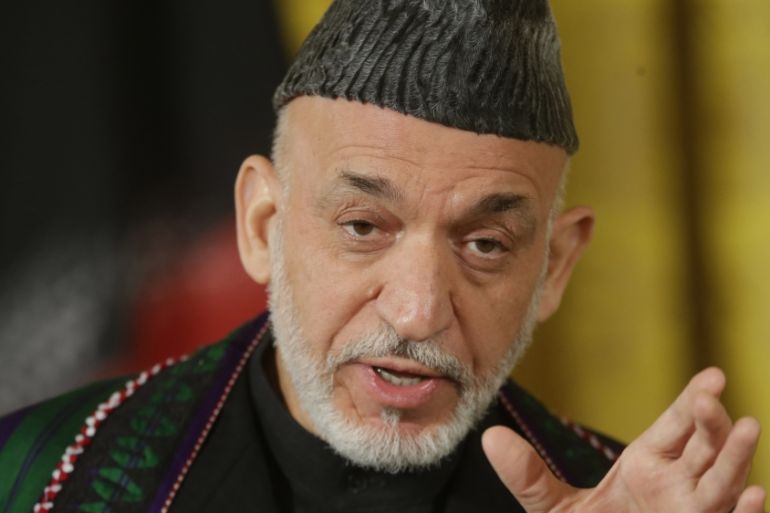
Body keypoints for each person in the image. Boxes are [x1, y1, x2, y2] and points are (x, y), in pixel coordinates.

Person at [0, 1, 765, 512]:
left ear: (554, 267)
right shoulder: (35, 476)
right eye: (364, 226)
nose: (418, 312)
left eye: (485, 244)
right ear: (262, 225)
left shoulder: (634, 498)